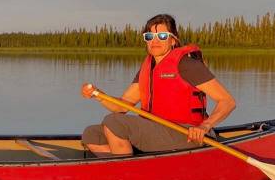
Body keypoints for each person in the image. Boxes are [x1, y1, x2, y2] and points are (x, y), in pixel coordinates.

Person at [81, 13, 236, 156]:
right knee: (92, 134)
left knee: (113, 122)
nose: (155, 41)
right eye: (149, 36)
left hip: (186, 133)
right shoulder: (147, 68)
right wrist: (98, 94)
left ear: (173, 40)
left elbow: (227, 101)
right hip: (157, 132)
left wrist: (205, 126)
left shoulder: (186, 64)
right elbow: (122, 107)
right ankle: (136, 166)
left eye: (162, 36)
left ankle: (128, 173)